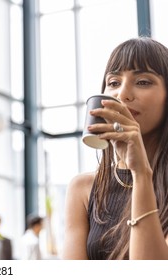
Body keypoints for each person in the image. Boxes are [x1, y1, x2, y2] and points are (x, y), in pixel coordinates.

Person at [63, 37, 168, 260]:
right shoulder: (82, 189)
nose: (122, 94)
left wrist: (141, 174)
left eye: (142, 82)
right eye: (113, 83)